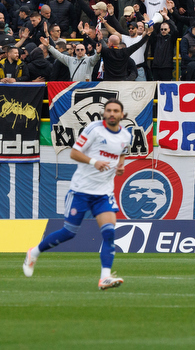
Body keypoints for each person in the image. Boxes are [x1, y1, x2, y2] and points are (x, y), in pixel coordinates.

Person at [22, 98, 132, 290]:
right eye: (109, 110)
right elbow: (74, 153)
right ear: (104, 113)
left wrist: (120, 165)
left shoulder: (126, 135)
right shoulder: (94, 129)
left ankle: (105, 277)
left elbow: (122, 151)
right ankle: (34, 252)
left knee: (109, 233)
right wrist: (93, 162)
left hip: (104, 193)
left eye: (116, 111)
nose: (112, 114)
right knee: (69, 233)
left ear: (122, 115)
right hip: (81, 190)